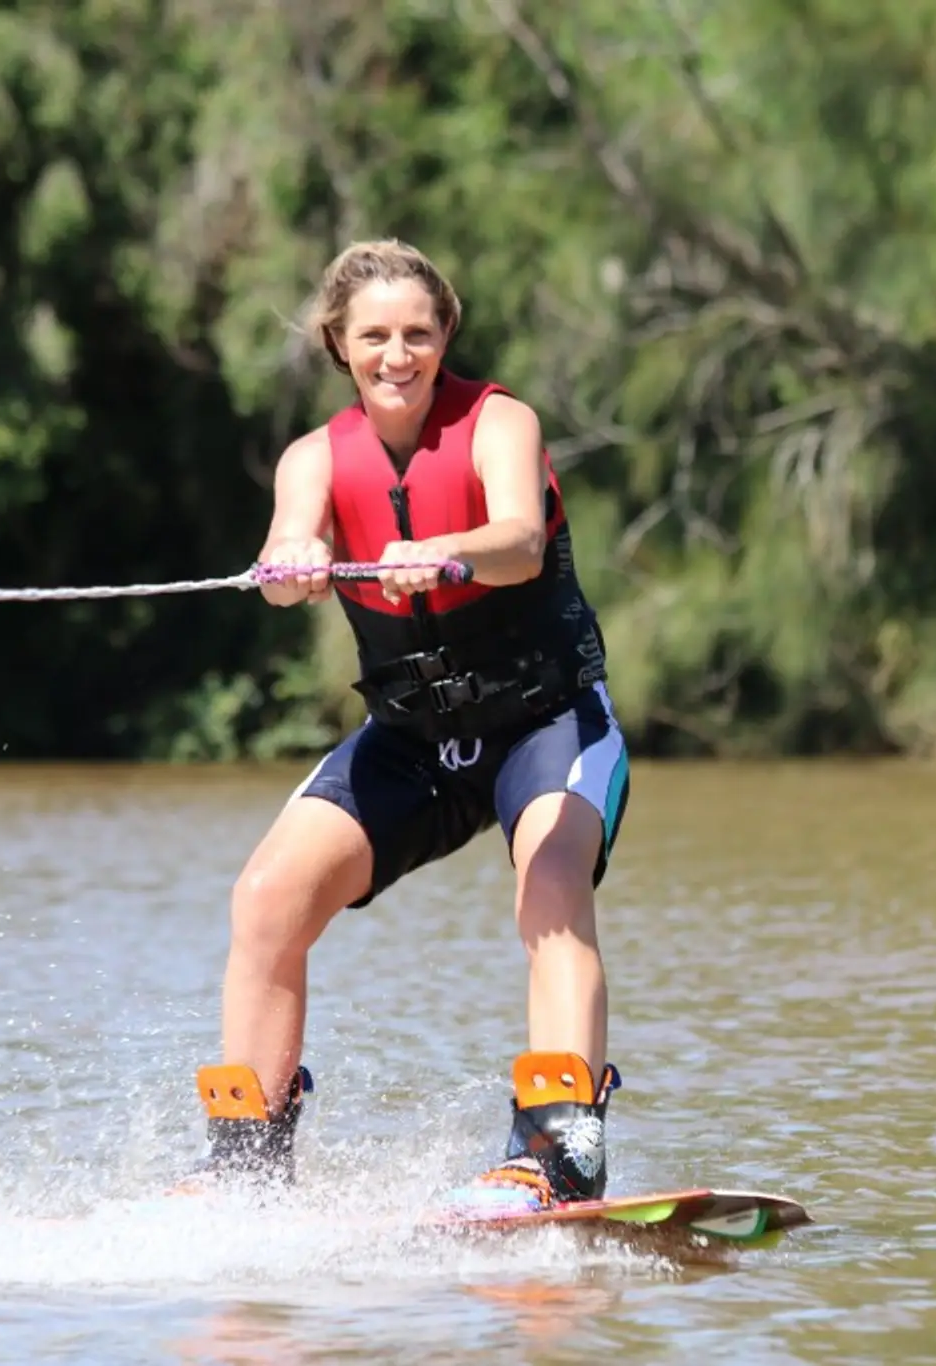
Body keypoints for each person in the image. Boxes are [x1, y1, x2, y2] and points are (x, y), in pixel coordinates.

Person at [184, 238, 629, 1212]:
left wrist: (446, 551)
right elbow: (286, 540)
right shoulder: (312, 458)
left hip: (545, 723)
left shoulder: (496, 423)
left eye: (417, 333)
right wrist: (293, 560)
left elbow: (516, 540)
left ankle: (556, 1154)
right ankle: (244, 1167)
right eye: (374, 335)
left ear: (444, 337)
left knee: (547, 891)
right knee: (265, 899)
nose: (397, 354)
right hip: (416, 740)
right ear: (338, 345)